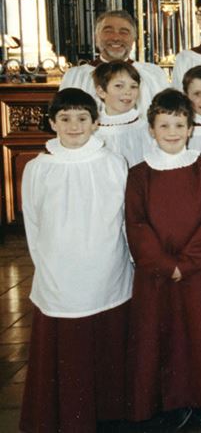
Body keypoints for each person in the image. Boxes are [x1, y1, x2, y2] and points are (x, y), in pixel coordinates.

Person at [20, 89, 132, 433]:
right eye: (65, 119)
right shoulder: (38, 168)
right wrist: (46, 264)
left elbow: (125, 219)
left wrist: (126, 261)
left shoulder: (113, 163)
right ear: (52, 122)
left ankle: (109, 413)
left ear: (96, 122)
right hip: (59, 273)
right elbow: (34, 225)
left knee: (107, 345)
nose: (74, 126)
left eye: (82, 118)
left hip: (106, 268)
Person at [125, 89, 201, 428]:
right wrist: (165, 265)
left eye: (179, 125)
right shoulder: (139, 174)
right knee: (162, 334)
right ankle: (167, 401)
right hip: (157, 273)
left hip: (200, 271)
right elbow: (137, 223)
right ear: (151, 130)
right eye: (164, 125)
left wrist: (186, 263)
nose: (172, 132)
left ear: (191, 128)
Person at [61, 10, 168, 113]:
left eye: (124, 32)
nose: (116, 38)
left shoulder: (153, 75)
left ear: (134, 39)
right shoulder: (76, 76)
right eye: (108, 31)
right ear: (96, 37)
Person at [93, 61, 153, 167]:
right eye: (119, 86)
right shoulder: (92, 131)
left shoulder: (147, 129)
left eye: (133, 86)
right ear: (101, 91)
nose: (128, 92)